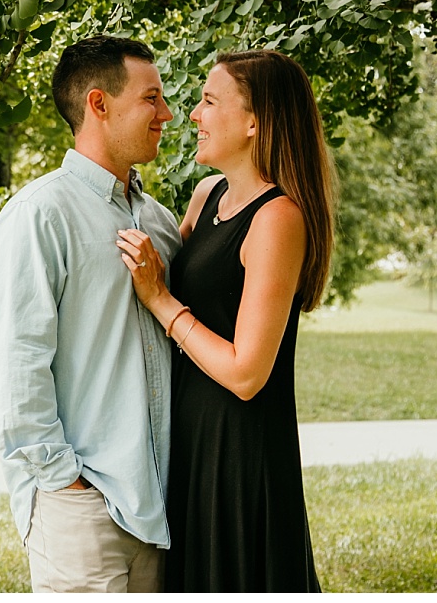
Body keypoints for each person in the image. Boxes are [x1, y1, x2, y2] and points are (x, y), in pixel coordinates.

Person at [114, 49, 333, 592]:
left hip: (241, 454)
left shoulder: (279, 218)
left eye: (210, 102)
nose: (193, 115)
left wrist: (161, 300)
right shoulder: (207, 195)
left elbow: (246, 372)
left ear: (255, 122)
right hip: (188, 438)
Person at [0, 35, 182, 593]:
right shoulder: (39, 217)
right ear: (99, 104)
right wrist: (65, 484)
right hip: (81, 511)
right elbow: (15, 369)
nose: (167, 114)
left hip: (162, 508)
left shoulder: (161, 223)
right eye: (151, 99)